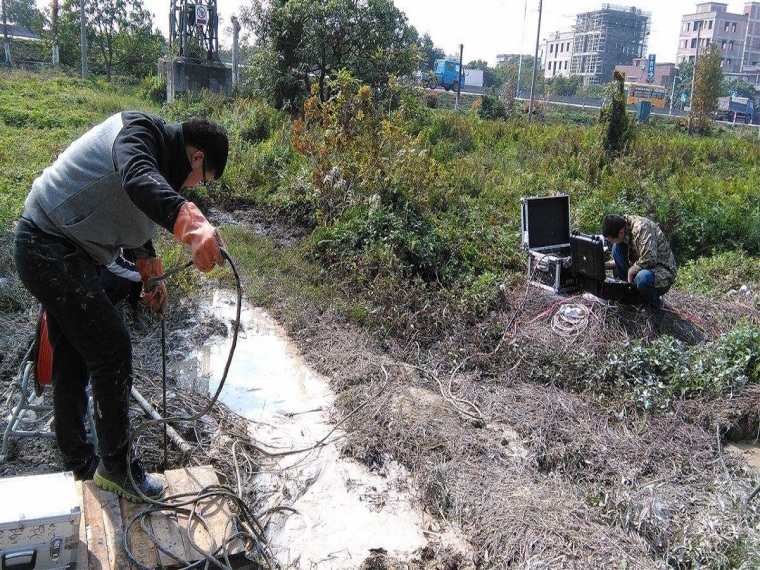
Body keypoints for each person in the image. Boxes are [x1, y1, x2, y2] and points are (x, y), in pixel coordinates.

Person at [13, 111, 229, 502]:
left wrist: (150, 272)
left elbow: (136, 213)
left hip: (65, 247)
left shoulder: (158, 158)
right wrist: (193, 224)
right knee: (112, 347)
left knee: (76, 354)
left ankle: (79, 461)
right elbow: (135, 178)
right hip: (46, 243)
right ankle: (115, 466)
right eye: (203, 179)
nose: (196, 186)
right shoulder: (139, 134)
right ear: (197, 158)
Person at [601, 214, 677, 309]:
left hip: (661, 270)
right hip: (641, 265)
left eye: (611, 240)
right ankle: (627, 295)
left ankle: (654, 306)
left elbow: (650, 259)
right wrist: (603, 265)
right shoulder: (621, 225)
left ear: (620, 232)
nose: (610, 243)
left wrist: (630, 271)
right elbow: (620, 260)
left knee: (643, 278)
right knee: (616, 248)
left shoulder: (641, 228)